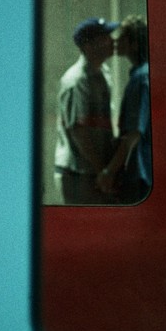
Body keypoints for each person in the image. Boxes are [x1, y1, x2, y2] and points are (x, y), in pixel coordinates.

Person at [54, 17, 119, 204]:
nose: (113, 41)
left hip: (93, 171)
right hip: (77, 175)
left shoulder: (103, 73)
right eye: (105, 38)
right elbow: (79, 131)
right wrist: (103, 171)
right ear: (89, 45)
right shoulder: (76, 80)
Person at [97, 15, 152, 204]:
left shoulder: (141, 79)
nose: (115, 41)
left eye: (122, 38)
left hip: (141, 172)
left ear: (134, 44)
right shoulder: (141, 75)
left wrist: (109, 171)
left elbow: (134, 133)